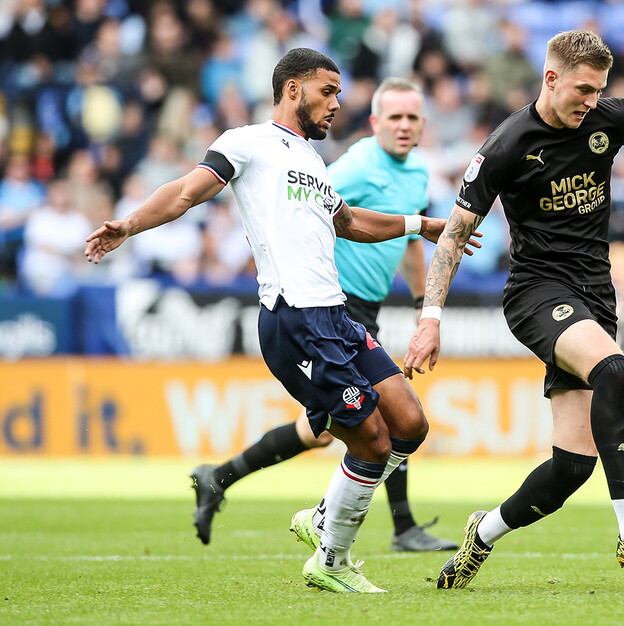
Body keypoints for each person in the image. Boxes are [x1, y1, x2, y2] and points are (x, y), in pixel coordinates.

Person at [85, 48, 477, 593]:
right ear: (293, 89)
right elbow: (183, 193)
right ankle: (331, 559)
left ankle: (323, 518)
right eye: (328, 91)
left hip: (335, 315)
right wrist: (128, 225)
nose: (336, 103)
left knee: (410, 424)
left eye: (338, 93)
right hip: (293, 320)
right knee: (372, 443)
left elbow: (351, 221)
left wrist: (422, 224)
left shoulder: (313, 161)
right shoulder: (246, 143)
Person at [404, 30, 624, 589]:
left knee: (571, 468)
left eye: (598, 91)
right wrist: (430, 319)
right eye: (582, 90)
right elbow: (453, 237)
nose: (590, 102)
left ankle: (483, 533)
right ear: (551, 78)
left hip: (594, 295)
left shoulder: (609, 119)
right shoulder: (506, 144)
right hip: (536, 293)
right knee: (615, 367)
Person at [188, 76, 457, 553]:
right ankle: (396, 525)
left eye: (413, 117)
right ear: (375, 123)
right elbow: (311, 210)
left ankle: (221, 476)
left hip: (363, 306)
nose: (404, 125)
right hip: (332, 303)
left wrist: (422, 307)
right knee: (379, 420)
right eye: (394, 116)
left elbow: (411, 243)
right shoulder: (353, 165)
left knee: (328, 429)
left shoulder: (417, 173)